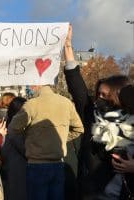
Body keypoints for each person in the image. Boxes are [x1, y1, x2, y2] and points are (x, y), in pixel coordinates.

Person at [64, 25, 131, 200]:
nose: (99, 99)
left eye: (105, 95)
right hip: (92, 193)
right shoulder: (92, 114)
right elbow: (76, 85)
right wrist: (68, 47)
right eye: (98, 94)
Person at [8, 84, 84, 200]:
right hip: (58, 163)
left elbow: (12, 128)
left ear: (36, 86)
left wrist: (30, 140)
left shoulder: (31, 104)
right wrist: (59, 138)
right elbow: (79, 129)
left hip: (36, 164)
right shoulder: (66, 102)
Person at [1, 97, 27, 200]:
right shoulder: (19, 129)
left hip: (10, 170)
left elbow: (3, 151)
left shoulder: (5, 126)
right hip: (22, 171)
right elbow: (26, 150)